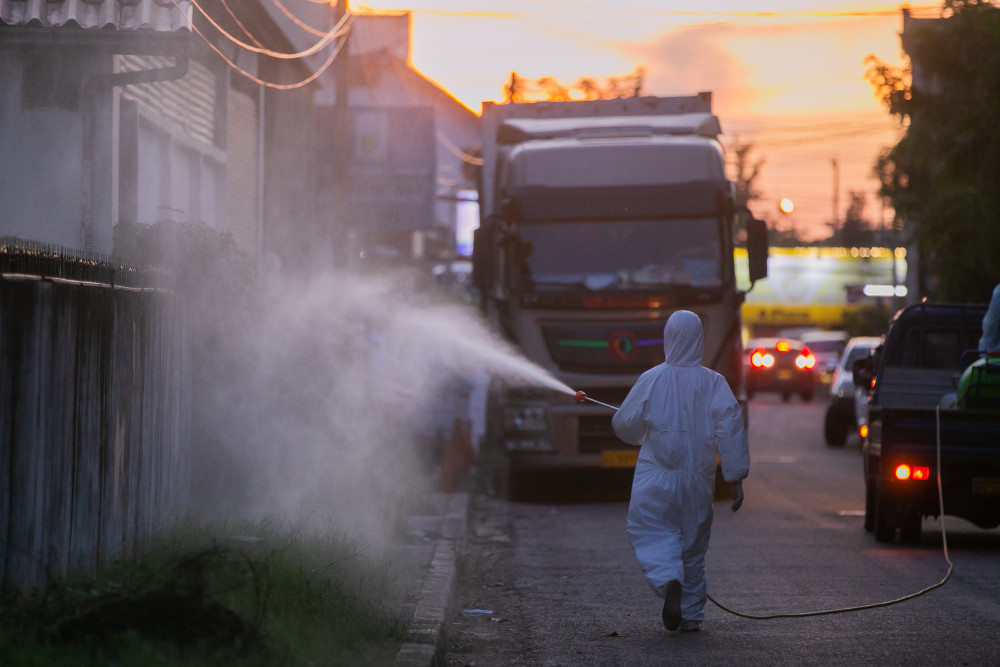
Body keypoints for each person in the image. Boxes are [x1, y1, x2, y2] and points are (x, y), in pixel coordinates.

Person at [612, 310, 749, 632]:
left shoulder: (651, 378)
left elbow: (624, 425)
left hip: (656, 475)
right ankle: (690, 616)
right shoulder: (714, 382)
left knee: (652, 532)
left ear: (668, 337)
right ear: (699, 338)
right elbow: (731, 429)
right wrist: (736, 479)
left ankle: (667, 579)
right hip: (697, 479)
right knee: (693, 549)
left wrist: (639, 433)